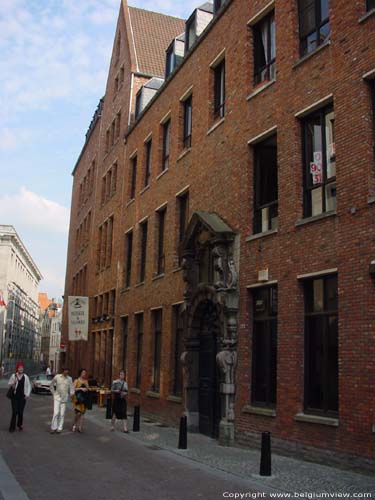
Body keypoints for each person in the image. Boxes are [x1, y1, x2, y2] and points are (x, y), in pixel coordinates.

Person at [49, 367, 74, 434]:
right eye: (65, 370)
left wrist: (71, 394)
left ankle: (59, 428)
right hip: (57, 397)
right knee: (56, 412)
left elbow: (71, 388)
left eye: (67, 371)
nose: (66, 372)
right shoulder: (57, 377)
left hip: (64, 398)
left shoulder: (69, 379)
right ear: (63, 371)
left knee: (62, 414)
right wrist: (53, 393)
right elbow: (51, 385)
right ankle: (53, 428)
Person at [8, 362, 31, 432]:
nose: (21, 369)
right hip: (14, 397)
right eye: (19, 368)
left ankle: (19, 424)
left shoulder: (26, 377)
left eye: (22, 368)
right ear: (17, 369)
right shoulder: (13, 376)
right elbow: (9, 384)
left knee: (20, 412)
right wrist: (13, 383)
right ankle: (12, 427)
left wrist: (27, 394)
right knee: (15, 412)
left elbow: (29, 386)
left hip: (22, 397)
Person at [72, 368, 89, 432]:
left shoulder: (86, 381)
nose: (84, 374)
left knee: (82, 413)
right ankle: (74, 424)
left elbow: (88, 388)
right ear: (80, 373)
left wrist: (86, 389)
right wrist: (81, 388)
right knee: (78, 413)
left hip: (84, 398)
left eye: (85, 373)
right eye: (83, 373)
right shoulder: (77, 380)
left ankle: (80, 427)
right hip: (78, 398)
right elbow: (73, 389)